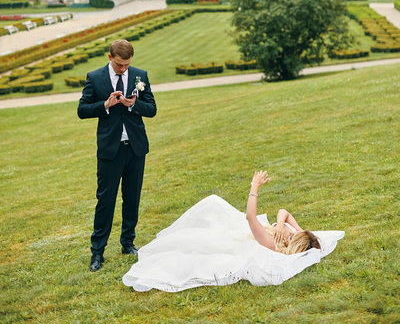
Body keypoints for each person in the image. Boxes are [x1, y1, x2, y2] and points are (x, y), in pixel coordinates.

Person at [122, 170, 342, 292]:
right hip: (251, 232)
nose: (293, 232)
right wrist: (287, 226)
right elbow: (284, 211)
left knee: (208, 215)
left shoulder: (270, 244)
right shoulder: (288, 236)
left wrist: (254, 188)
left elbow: (250, 218)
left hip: (238, 236)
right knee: (212, 207)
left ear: (293, 245)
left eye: (296, 235)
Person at [77, 39, 157, 272]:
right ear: (110, 58)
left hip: (135, 149)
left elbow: (152, 109)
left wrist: (134, 104)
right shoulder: (95, 78)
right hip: (110, 151)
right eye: (120, 65)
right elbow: (82, 110)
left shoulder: (140, 75)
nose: (124, 69)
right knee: (106, 201)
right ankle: (97, 252)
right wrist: (106, 104)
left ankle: (128, 243)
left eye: (127, 65)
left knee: (132, 198)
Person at [246, 170, 321, 253]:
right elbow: (284, 212)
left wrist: (254, 186)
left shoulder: (272, 244)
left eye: (291, 238)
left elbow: (250, 217)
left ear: (292, 247)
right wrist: (280, 225)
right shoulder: (296, 234)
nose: (291, 233)